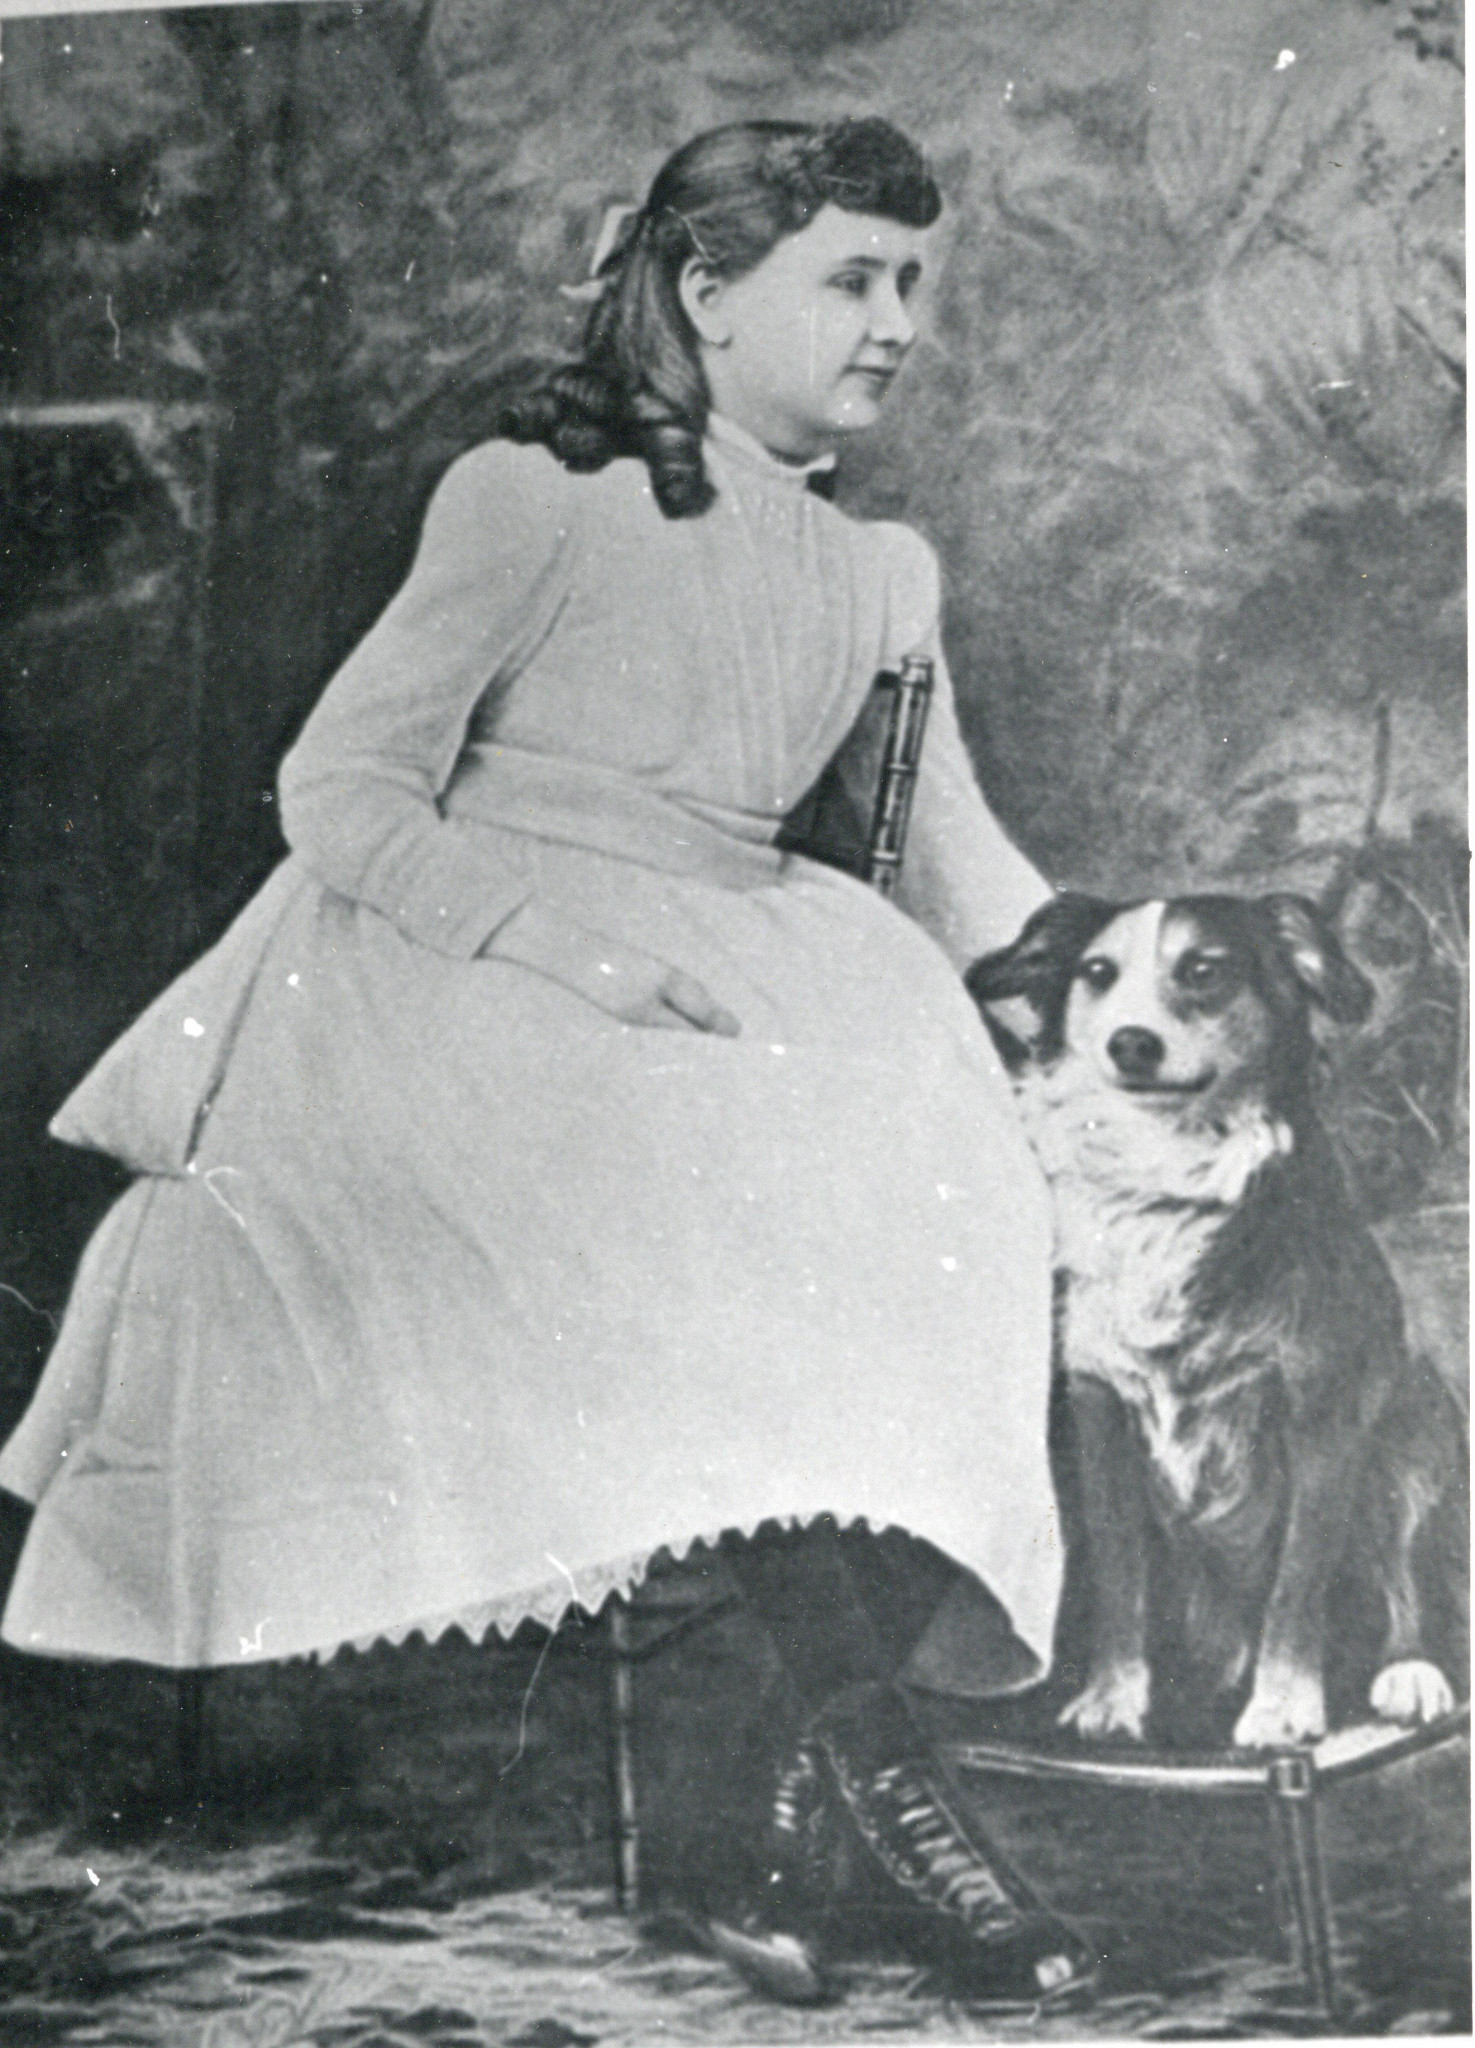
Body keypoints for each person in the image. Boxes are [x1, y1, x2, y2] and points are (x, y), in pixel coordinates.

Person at [0, 118, 1091, 2007]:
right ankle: (893, 1812)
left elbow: (950, 864)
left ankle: (756, 1801)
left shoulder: (879, 572)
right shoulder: (543, 499)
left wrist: (1160, 958)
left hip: (740, 955)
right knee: (720, 1173)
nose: (899, 322)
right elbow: (341, 788)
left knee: (956, 1204)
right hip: (450, 971)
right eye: (851, 277)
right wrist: (577, 949)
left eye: (914, 282)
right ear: (703, 289)